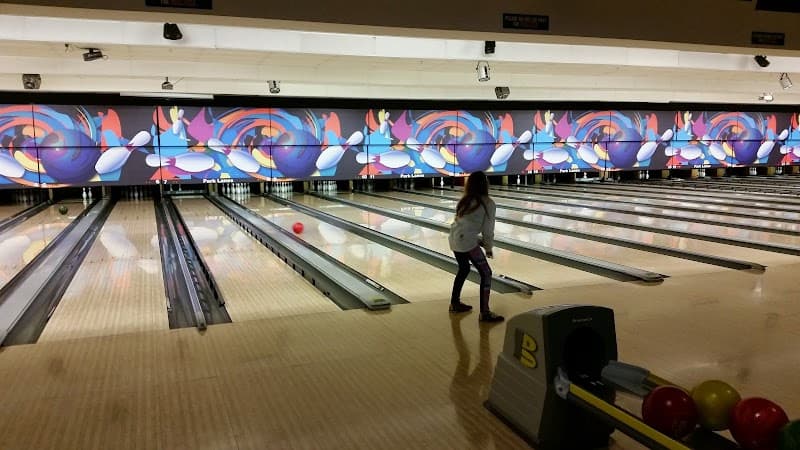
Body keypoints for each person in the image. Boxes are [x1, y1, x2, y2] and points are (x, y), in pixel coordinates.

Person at [448, 171, 504, 323]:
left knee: (464, 269)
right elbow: (488, 230)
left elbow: (466, 226)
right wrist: (488, 247)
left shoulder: (465, 200)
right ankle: (485, 313)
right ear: (485, 184)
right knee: (486, 273)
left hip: (454, 239)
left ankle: (455, 303)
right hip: (467, 242)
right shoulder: (488, 203)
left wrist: (479, 241)